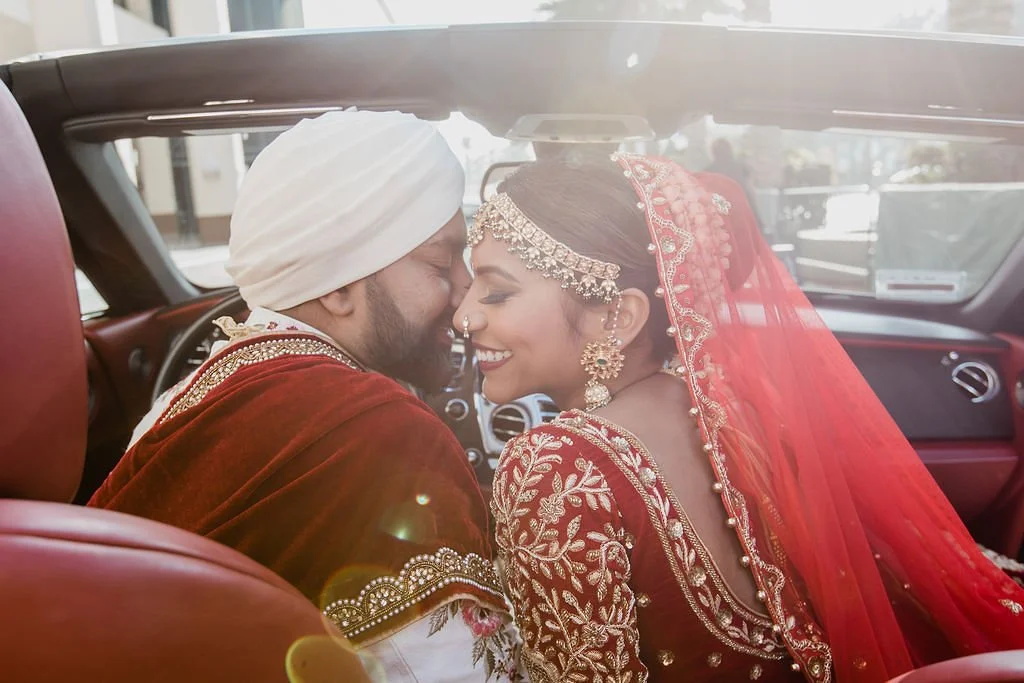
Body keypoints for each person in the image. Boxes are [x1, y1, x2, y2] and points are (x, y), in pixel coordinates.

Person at [454, 154, 1024, 682]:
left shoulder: (552, 464)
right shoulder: (731, 408)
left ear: (620, 315)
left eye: (498, 294)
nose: (462, 316)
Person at [89, 110, 520, 681]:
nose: (466, 291)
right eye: (441, 261)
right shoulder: (379, 431)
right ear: (340, 287)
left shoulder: (197, 389)